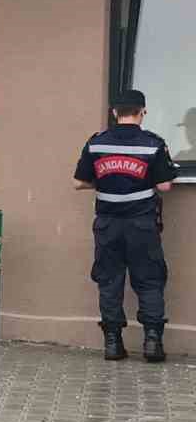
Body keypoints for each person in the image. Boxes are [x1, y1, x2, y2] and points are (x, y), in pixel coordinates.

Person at [73, 89, 180, 362]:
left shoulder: (97, 143)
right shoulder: (152, 143)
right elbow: (165, 186)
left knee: (109, 281)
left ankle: (112, 343)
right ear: (142, 111)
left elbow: (79, 182)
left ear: (114, 112)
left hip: (108, 225)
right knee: (149, 281)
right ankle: (152, 342)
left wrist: (107, 179)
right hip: (142, 225)